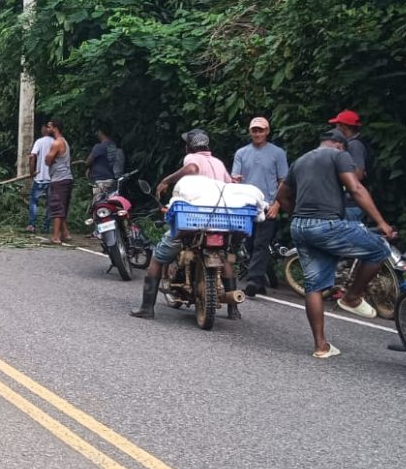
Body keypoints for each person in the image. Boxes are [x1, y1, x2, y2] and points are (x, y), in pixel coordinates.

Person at [275, 129, 396, 358]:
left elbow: (281, 196)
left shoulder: (300, 160)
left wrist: (300, 216)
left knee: (314, 285)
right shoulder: (339, 154)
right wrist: (382, 223)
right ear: (340, 145)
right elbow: (355, 188)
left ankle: (321, 346)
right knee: (379, 248)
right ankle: (351, 297)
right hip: (326, 224)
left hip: (300, 227)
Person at [131, 129, 242, 320]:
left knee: (158, 257)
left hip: (194, 221)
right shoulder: (218, 163)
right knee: (222, 259)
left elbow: (191, 170)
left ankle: (146, 308)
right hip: (220, 223)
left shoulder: (192, 158)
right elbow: (230, 184)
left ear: (189, 147)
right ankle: (234, 310)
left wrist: (166, 180)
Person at [231, 117, 288, 297]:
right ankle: (263, 278)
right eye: (254, 130)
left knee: (261, 244)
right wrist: (234, 181)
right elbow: (235, 177)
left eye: (261, 130)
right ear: (250, 131)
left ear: (267, 131)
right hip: (246, 205)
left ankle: (254, 281)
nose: (257, 133)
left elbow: (283, 181)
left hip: (267, 204)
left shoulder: (277, 153)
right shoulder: (241, 153)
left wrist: (277, 204)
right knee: (248, 243)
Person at [329, 110, 368, 222]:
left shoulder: (354, 145)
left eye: (338, 125)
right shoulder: (348, 144)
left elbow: (358, 174)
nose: (336, 128)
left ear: (344, 127)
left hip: (352, 203)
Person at [44, 119, 73, 244]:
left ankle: (56, 237)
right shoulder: (64, 141)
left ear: (55, 128)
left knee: (57, 207)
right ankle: (65, 234)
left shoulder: (57, 143)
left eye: (49, 127)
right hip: (65, 177)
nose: (47, 129)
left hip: (59, 178)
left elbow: (48, 160)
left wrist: (47, 157)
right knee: (61, 206)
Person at [27, 123, 53, 234]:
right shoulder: (55, 142)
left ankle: (32, 225)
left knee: (34, 201)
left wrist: (32, 172)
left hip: (40, 177)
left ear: (45, 129)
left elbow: (32, 156)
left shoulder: (39, 142)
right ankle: (46, 227)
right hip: (52, 178)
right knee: (50, 203)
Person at [86, 128, 119, 205]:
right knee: (111, 203)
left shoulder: (98, 147)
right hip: (113, 179)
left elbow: (88, 162)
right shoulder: (114, 146)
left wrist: (88, 167)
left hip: (100, 180)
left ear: (101, 133)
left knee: (98, 204)